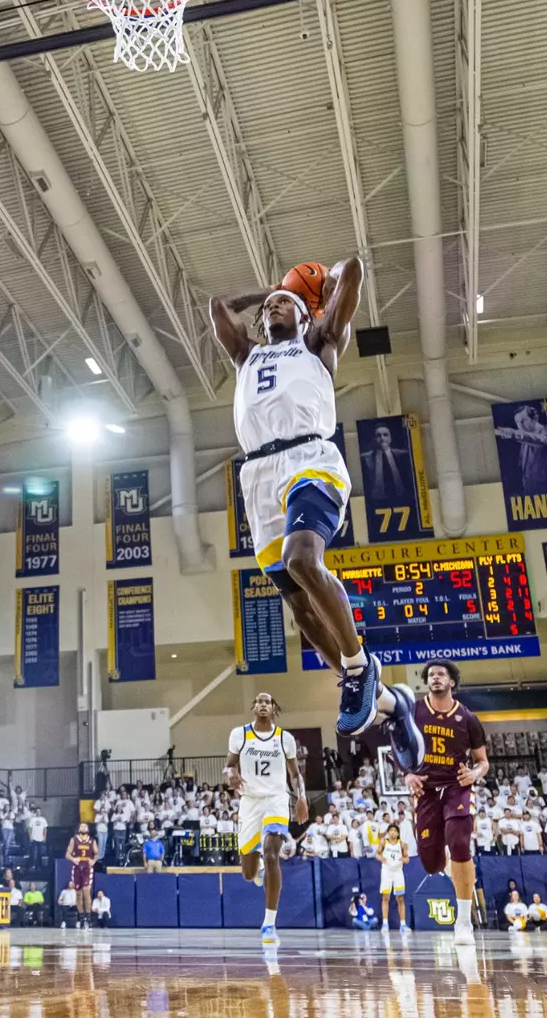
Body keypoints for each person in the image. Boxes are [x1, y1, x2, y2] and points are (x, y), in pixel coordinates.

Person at [208, 264, 422, 765]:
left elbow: (356, 271)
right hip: (258, 475)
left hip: (310, 458)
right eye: (269, 309)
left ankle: (358, 668)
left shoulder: (320, 343)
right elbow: (218, 306)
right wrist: (273, 291)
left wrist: (315, 289)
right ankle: (392, 704)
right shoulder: (247, 355)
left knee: (304, 560)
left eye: (285, 304)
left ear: (307, 315)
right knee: (301, 609)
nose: (274, 309)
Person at [402, 661, 487, 946]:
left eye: (440, 674)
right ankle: (450, 864)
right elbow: (399, 745)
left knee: (460, 844)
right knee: (430, 863)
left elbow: (483, 762)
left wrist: (474, 773)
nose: (434, 678)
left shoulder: (468, 718)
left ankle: (463, 922)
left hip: (456, 786)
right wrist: (407, 774)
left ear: (452, 681)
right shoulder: (413, 711)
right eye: (430, 675)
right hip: (426, 790)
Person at [225, 692, 306, 946]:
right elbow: (229, 766)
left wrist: (301, 797)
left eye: (267, 701)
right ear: (254, 708)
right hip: (250, 802)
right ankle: (255, 866)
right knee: (248, 874)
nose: (262, 704)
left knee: (272, 853)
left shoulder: (285, 738)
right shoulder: (240, 734)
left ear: (273, 708)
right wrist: (230, 775)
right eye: (258, 701)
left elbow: (295, 774)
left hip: (276, 799)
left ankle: (269, 924)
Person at [378, 824, 409, 933]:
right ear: (388, 832)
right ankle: (385, 924)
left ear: (398, 833)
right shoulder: (383, 842)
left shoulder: (402, 844)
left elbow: (407, 858)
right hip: (386, 871)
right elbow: (377, 854)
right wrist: (382, 859)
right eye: (390, 830)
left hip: (398, 872)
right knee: (386, 897)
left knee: (400, 898)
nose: (392, 832)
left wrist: (404, 860)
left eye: (394, 830)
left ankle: (403, 925)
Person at [64, 823, 97, 926]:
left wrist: (94, 860)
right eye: (81, 826)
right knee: (78, 894)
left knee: (86, 892)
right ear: (78, 829)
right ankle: (81, 917)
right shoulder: (74, 840)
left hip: (87, 867)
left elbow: (96, 853)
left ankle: (88, 916)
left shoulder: (92, 841)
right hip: (77, 868)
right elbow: (67, 854)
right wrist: (73, 858)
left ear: (88, 829)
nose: (83, 827)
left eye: (85, 826)